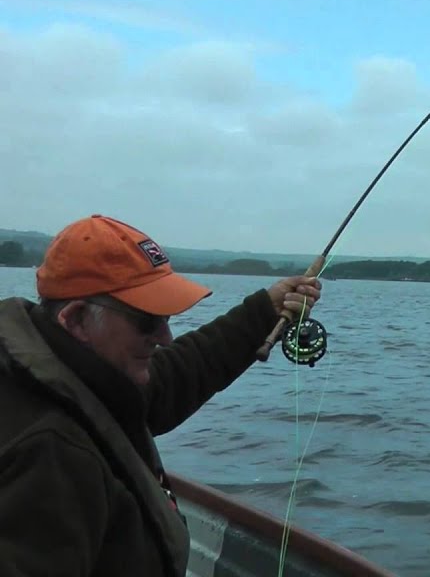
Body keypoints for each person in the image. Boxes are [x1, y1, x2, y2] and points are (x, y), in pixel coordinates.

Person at [0, 214, 323, 576]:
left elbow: (170, 379)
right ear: (75, 320)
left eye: (166, 316)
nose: (164, 336)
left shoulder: (65, 370)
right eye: (147, 320)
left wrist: (263, 313)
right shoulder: (50, 451)